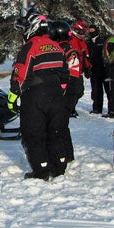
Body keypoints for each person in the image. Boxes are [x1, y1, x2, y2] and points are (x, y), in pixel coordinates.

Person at [8, 11, 69, 181]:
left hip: (35, 94)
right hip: (56, 94)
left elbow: (21, 70)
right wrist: (59, 90)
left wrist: (13, 96)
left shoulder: (31, 45)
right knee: (55, 132)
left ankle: (41, 171)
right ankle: (59, 166)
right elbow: (65, 74)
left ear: (32, 28)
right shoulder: (56, 46)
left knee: (33, 133)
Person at [48, 20, 77, 162]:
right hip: (60, 89)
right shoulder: (55, 48)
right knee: (58, 123)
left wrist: (63, 88)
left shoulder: (68, 51)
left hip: (69, 90)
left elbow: (73, 74)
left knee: (60, 123)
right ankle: (64, 154)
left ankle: (66, 155)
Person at [67, 20, 91, 117]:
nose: (82, 34)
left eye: (83, 32)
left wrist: (88, 67)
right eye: (81, 32)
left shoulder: (81, 42)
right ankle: (69, 109)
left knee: (79, 91)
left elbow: (85, 55)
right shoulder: (71, 40)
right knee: (72, 91)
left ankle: (70, 107)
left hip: (79, 70)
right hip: (71, 71)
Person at [86, 24, 110, 114]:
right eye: (90, 30)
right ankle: (97, 108)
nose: (91, 32)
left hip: (105, 69)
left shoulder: (103, 40)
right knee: (96, 91)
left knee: (109, 90)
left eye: (93, 30)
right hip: (94, 70)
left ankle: (112, 109)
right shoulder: (88, 42)